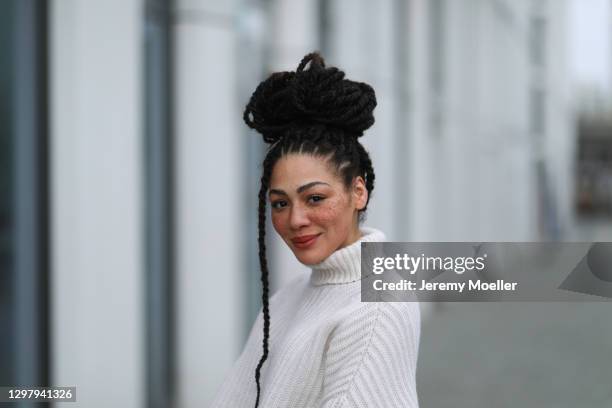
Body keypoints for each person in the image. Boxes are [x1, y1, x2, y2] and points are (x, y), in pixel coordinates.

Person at [210, 52, 420, 408]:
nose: (295, 220)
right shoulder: (289, 296)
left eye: (315, 198)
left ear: (358, 191)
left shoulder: (378, 306)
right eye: (280, 203)